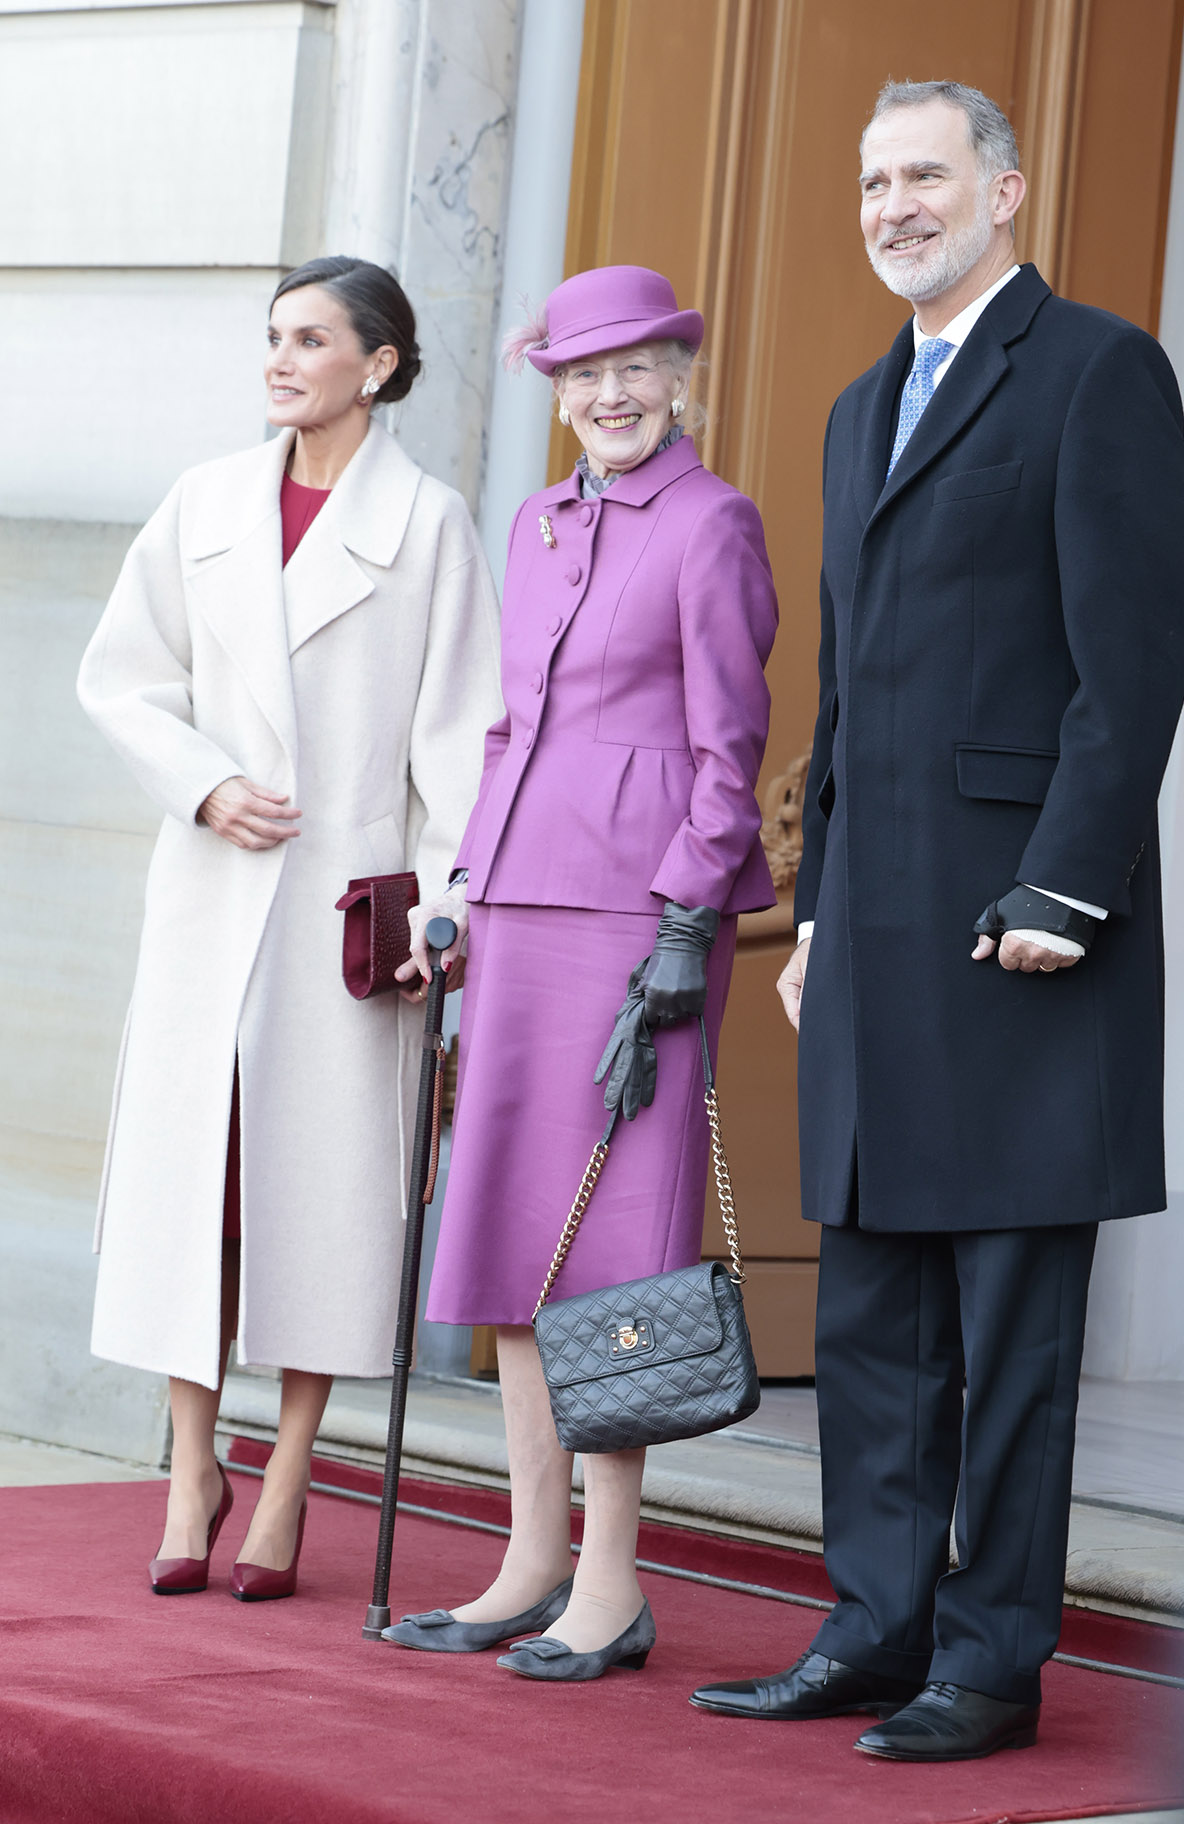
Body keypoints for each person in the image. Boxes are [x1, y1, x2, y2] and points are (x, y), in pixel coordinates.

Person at [691, 82, 1184, 1757]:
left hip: (1026, 931)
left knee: (1011, 1323)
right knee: (872, 1307)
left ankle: (991, 1660)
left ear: (1006, 188)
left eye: (922, 173)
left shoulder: (1099, 371)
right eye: (868, 180)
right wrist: (820, 911)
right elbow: (847, 696)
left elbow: (1128, 673)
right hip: (877, 935)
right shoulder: (856, 407)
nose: (891, 203)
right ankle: (875, 1625)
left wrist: (1065, 884)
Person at [78, 255, 501, 1599]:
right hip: (210, 896)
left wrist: (446, 908)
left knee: (323, 1201)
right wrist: (203, 783)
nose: (278, 357)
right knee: (194, 1189)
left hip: (347, 914)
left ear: (376, 364)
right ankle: (192, 1461)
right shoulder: (203, 502)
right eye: (271, 334)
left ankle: (297, 1467)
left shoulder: (429, 524)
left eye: (309, 337)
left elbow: (463, 743)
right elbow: (122, 680)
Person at [390, 265, 778, 1680]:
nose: (606, 395)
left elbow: (732, 751)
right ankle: (528, 1561)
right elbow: (507, 732)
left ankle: (610, 1587)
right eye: (580, 372)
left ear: (680, 374)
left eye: (634, 367)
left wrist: (688, 923)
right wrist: (464, 891)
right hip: (519, 916)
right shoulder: (540, 521)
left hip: (634, 931)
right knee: (509, 1237)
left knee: (613, 1255)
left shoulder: (713, 524)